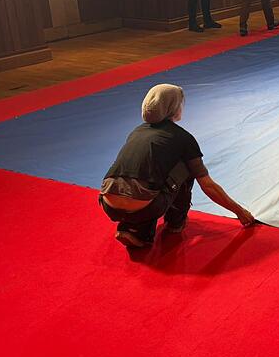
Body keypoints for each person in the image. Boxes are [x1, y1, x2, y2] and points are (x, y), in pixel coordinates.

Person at [100, 84, 255, 248]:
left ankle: (136, 229)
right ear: (173, 109)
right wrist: (240, 212)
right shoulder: (183, 138)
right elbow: (208, 186)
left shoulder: (136, 132)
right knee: (187, 167)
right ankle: (175, 222)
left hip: (108, 203)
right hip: (146, 206)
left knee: (148, 179)